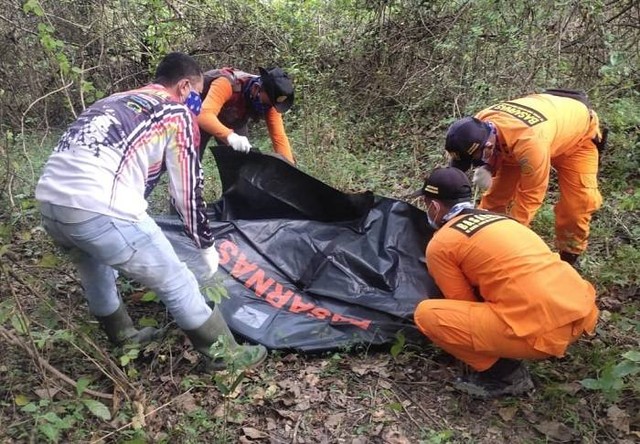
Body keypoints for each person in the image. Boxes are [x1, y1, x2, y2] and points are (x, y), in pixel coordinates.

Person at [35, 52, 267, 370]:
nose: (196, 103)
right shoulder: (176, 112)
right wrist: (205, 244)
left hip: (50, 203)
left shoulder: (118, 99)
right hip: (99, 206)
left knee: (95, 270)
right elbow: (187, 191)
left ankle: (124, 337)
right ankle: (226, 357)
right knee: (177, 279)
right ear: (184, 86)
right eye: (197, 95)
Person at [412, 167, 599, 399]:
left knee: (427, 314)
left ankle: (505, 375)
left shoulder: (441, 244)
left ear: (435, 206)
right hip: (581, 311)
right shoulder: (502, 219)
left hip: (542, 331)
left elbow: (462, 301)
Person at [444, 90, 606, 266]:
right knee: (494, 199)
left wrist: (512, 239)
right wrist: (489, 166)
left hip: (577, 141)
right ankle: (481, 241)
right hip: (527, 138)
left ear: (489, 147)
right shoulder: (477, 125)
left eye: (475, 159)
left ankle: (569, 256)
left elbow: (530, 196)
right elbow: (461, 168)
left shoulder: (529, 143)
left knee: (577, 205)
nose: (474, 163)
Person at [197, 66, 295, 163]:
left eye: (270, 105)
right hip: (200, 115)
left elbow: (279, 137)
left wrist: (289, 168)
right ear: (256, 89)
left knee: (242, 161)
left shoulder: (271, 105)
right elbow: (204, 116)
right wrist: (230, 136)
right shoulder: (227, 83)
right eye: (265, 103)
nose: (267, 107)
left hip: (233, 121)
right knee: (192, 158)